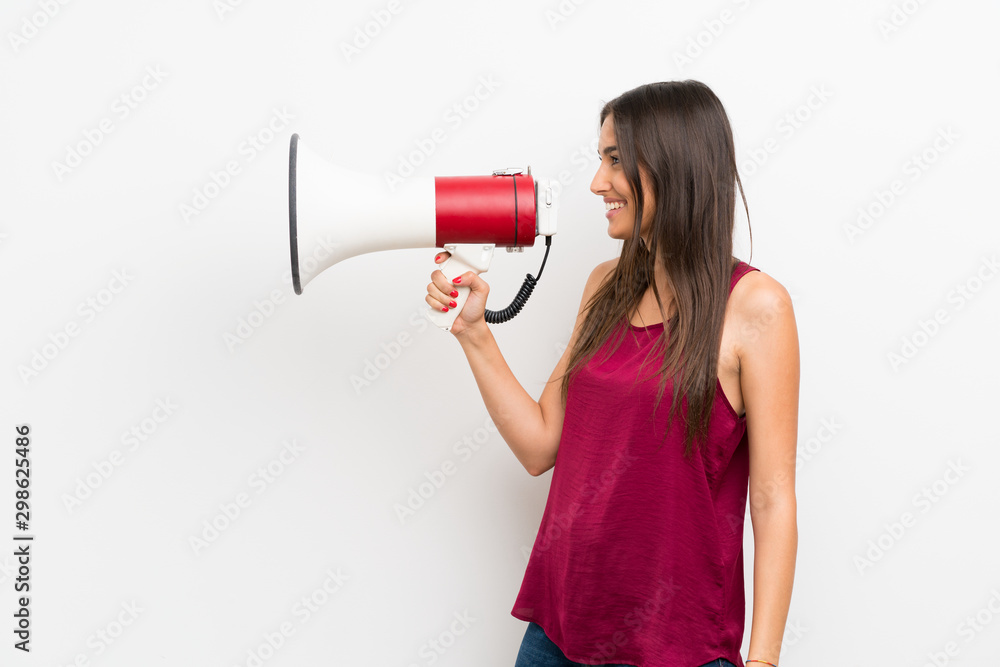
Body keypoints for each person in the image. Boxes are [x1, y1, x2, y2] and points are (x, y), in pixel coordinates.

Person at [425, 80, 798, 667]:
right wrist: (474, 331)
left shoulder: (757, 308)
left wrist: (765, 660)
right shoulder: (605, 284)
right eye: (601, 159)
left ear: (672, 165)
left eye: (615, 160)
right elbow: (541, 444)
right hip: (558, 631)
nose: (598, 182)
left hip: (677, 646)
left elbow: (773, 499)